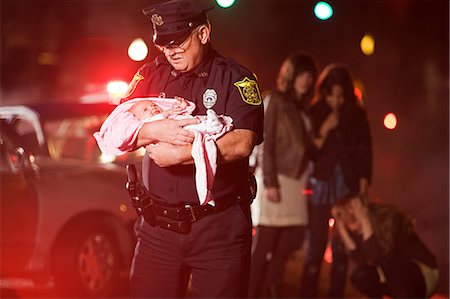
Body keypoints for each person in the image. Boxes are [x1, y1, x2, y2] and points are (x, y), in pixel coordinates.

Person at [99, 0, 264, 297]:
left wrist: (184, 154)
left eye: (179, 41)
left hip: (217, 231)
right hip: (156, 231)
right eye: (164, 43)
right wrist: (152, 130)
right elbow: (116, 125)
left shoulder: (235, 78)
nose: (171, 50)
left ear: (203, 33)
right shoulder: (149, 75)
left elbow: (242, 142)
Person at [248, 52, 318, 298]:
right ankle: (250, 292)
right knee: (265, 244)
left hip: (296, 181)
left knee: (282, 249)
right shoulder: (276, 100)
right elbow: (267, 143)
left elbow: (305, 148)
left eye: (310, 76)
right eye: (302, 75)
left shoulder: (303, 108)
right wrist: (270, 181)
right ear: (291, 75)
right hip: (277, 180)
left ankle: (272, 291)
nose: (307, 80)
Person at [300, 63, 372, 298]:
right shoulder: (316, 111)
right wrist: (326, 127)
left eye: (342, 96)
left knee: (341, 249)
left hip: (346, 185)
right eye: (333, 95)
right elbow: (308, 149)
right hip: (321, 184)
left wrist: (362, 187)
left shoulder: (357, 114)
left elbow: (365, 150)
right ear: (326, 91)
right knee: (316, 246)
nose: (337, 101)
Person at [94, 97, 233, 204]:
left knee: (196, 124)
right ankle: (213, 126)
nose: (152, 108)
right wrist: (153, 130)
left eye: (153, 105)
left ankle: (214, 125)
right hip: (155, 216)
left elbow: (244, 143)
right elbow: (119, 136)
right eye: (146, 110)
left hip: (216, 215)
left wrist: (181, 107)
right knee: (196, 129)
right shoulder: (148, 120)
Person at [331, 194, 439, 298]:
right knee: (360, 276)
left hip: (423, 273)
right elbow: (363, 262)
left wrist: (364, 219)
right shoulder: (360, 231)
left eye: (353, 221)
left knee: (390, 267)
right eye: (347, 225)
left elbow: (379, 258)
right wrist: (341, 228)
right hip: (398, 275)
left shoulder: (387, 218)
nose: (351, 228)